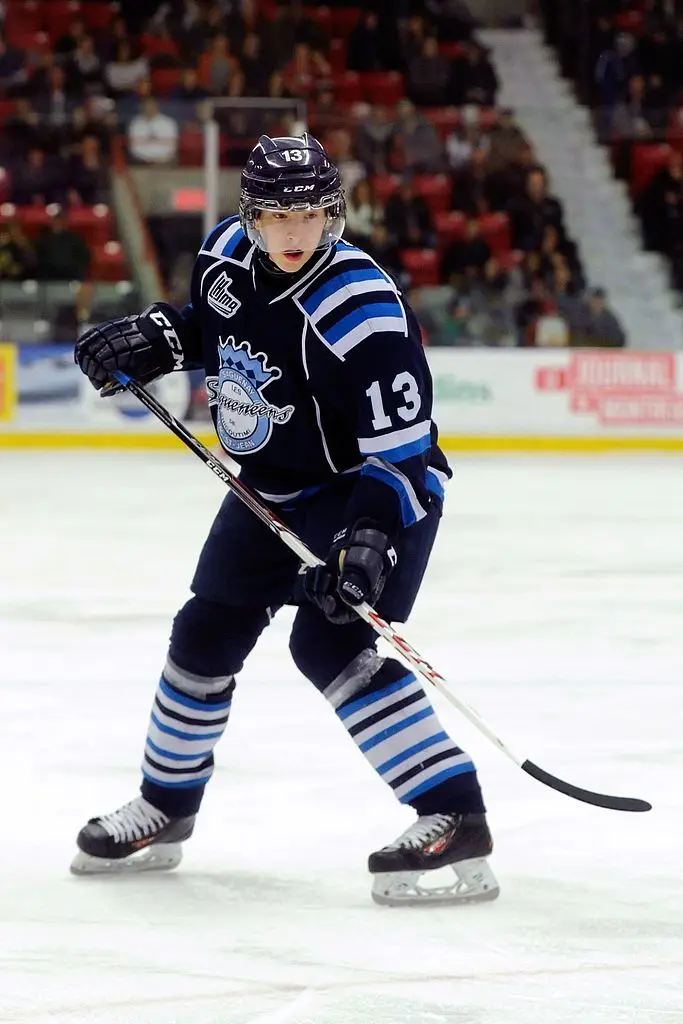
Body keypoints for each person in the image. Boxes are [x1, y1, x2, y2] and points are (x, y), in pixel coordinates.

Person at [72, 133, 499, 907]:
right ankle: (166, 805)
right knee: (204, 632)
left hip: (369, 489)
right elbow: (215, 328)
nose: (294, 231)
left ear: (333, 213)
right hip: (269, 487)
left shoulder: (361, 309)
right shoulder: (224, 254)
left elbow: (401, 450)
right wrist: (158, 338)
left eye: (309, 213)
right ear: (251, 216)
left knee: (328, 643)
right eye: (276, 215)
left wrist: (367, 542)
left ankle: (454, 813)